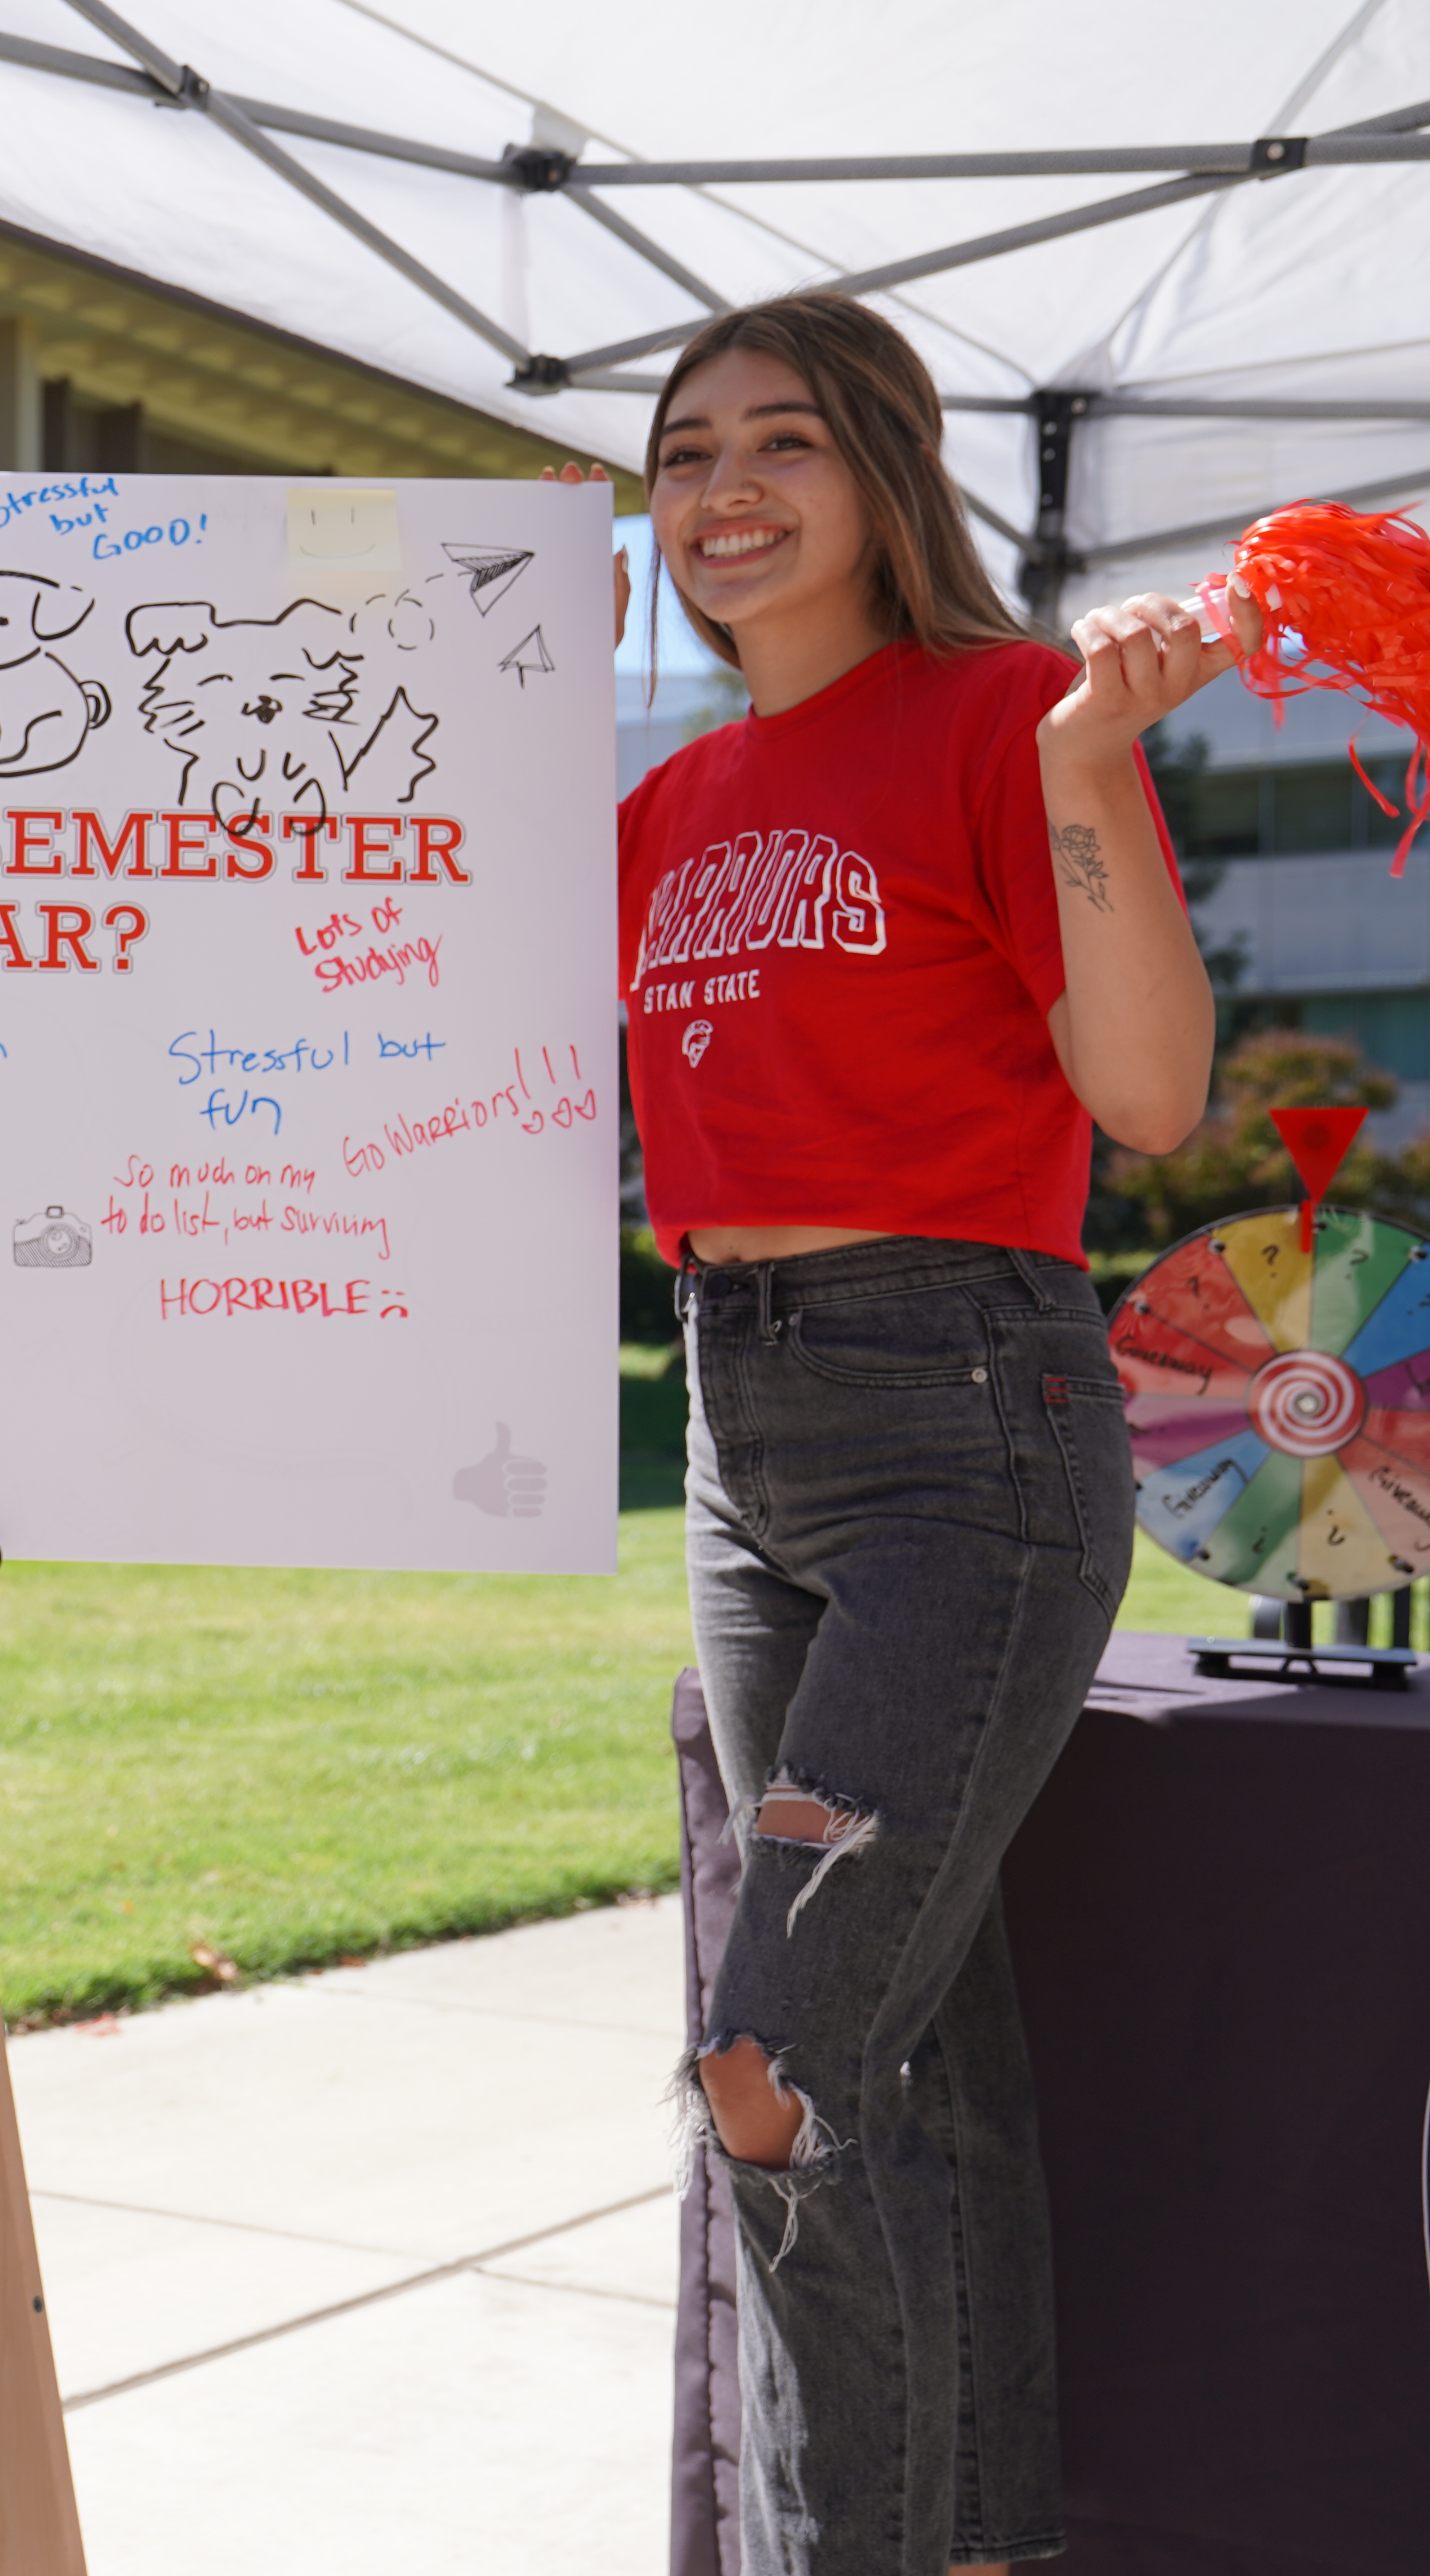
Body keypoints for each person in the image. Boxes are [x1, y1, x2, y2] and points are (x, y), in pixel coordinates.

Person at [578, 294, 1257, 2575]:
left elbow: (1151, 1098)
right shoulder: (662, 808)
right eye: (683, 454)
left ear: (885, 474)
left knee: (768, 2067)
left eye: (783, 442)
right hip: (737, 1423)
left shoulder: (998, 717)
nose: (724, 489)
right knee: (906, 2060)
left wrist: (1087, 772)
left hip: (962, 1423)